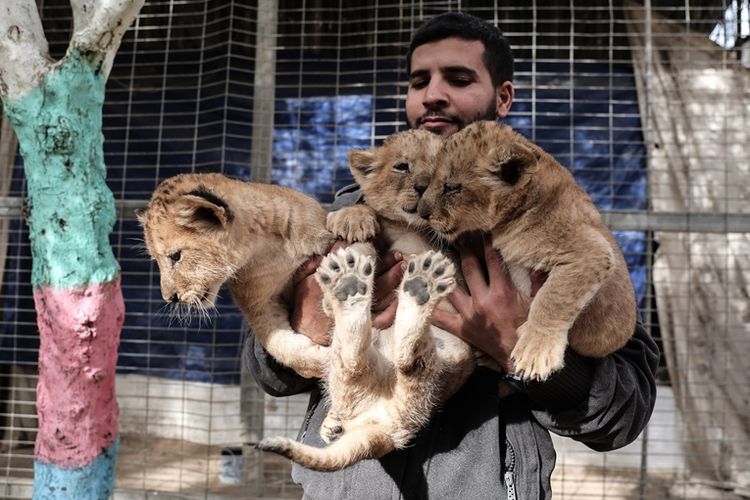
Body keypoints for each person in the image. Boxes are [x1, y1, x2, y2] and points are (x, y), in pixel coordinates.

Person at [245, 11, 659, 499]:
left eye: (459, 79)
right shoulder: (349, 213)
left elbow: (623, 412)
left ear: (503, 98)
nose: (433, 94)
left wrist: (519, 352)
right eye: (419, 80)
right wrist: (312, 324)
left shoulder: (546, 211)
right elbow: (264, 368)